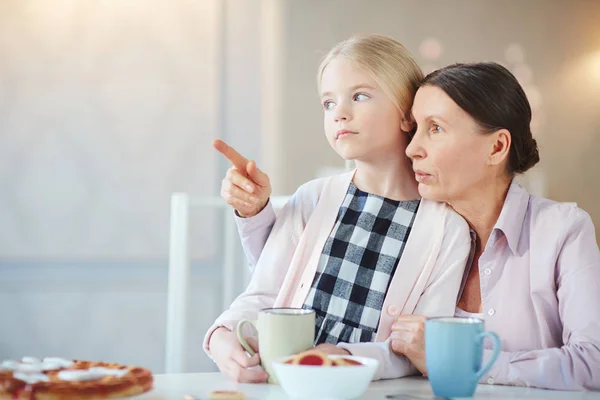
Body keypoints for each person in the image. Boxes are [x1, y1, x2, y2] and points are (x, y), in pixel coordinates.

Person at [232, 62, 600, 391]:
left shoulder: (563, 231)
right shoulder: (417, 230)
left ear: (496, 147)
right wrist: (258, 214)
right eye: (416, 128)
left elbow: (593, 363)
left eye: (436, 128)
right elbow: (293, 278)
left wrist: (462, 359)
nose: (412, 149)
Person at [204, 34, 472, 383]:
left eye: (359, 96)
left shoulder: (447, 229)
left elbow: (421, 346)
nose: (339, 113)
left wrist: (346, 357)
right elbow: (265, 294)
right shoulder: (312, 199)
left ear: (408, 115)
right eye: (328, 103)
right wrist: (222, 337)